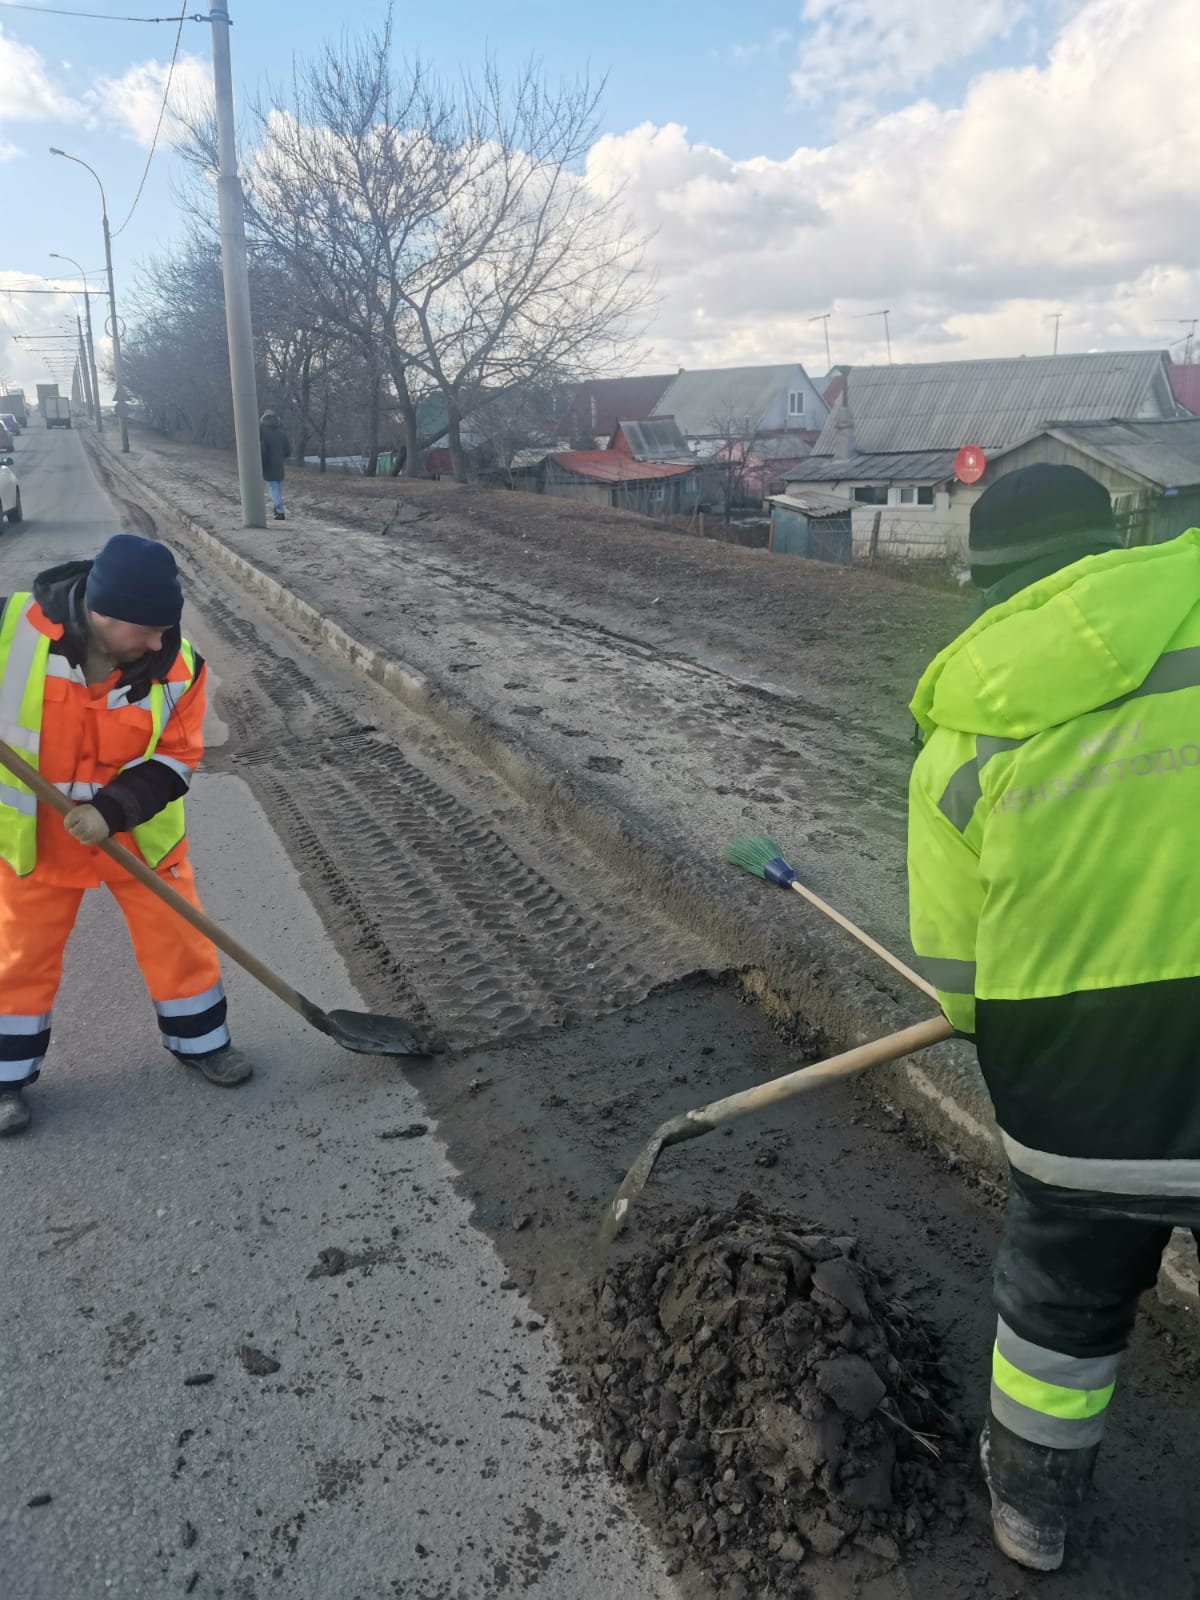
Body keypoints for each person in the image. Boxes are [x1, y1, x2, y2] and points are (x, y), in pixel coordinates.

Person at [908, 464, 1200, 1571]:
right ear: (1118, 537)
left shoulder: (966, 718)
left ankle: (1031, 1511)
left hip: (1074, 1111)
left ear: (987, 587)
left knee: (1059, 1306)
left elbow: (957, 986)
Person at [0, 534, 253, 1137]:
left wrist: (112, 811)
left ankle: (201, 1043)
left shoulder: (179, 667)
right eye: (147, 630)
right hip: (36, 835)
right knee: (19, 958)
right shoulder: (12, 632)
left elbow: (176, 758)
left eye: (167, 626)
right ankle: (5, 1077)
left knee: (179, 939)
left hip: (136, 835)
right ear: (103, 616)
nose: (160, 642)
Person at [259, 409, 291, 522]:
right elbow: (288, 450)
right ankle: (277, 510)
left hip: (267, 462)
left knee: (272, 486)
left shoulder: (262, 430)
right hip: (278, 463)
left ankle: (279, 511)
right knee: (276, 485)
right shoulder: (281, 431)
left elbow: (261, 447)